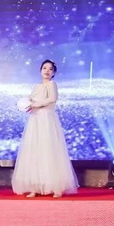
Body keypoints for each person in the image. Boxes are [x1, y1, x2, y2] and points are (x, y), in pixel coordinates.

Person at [12, 60, 78, 198]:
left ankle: (56, 187)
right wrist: (24, 105)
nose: (47, 71)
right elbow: (30, 100)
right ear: (40, 70)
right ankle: (35, 187)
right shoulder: (37, 86)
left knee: (49, 151)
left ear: (53, 73)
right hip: (35, 120)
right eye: (44, 68)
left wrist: (35, 105)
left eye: (50, 69)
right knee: (35, 151)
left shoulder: (52, 84)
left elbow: (52, 99)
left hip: (47, 120)